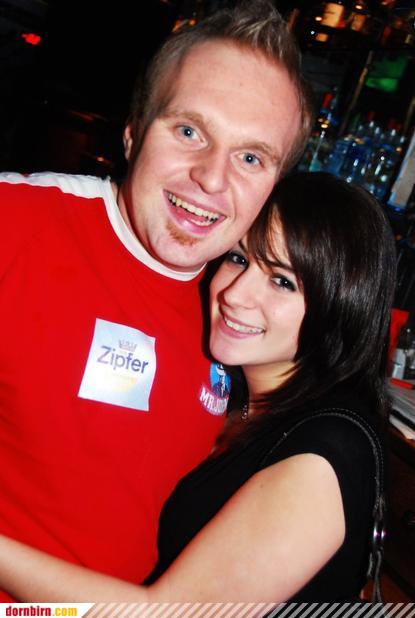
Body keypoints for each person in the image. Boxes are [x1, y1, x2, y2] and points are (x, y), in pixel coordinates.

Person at [0, 0, 313, 600]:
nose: (212, 178)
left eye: (250, 157)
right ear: (133, 131)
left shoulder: (250, 312)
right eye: (190, 131)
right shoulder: (15, 224)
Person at [0, 172, 397, 602]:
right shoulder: (239, 398)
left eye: (282, 281)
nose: (235, 294)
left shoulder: (325, 453)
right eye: (239, 258)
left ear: (342, 305)